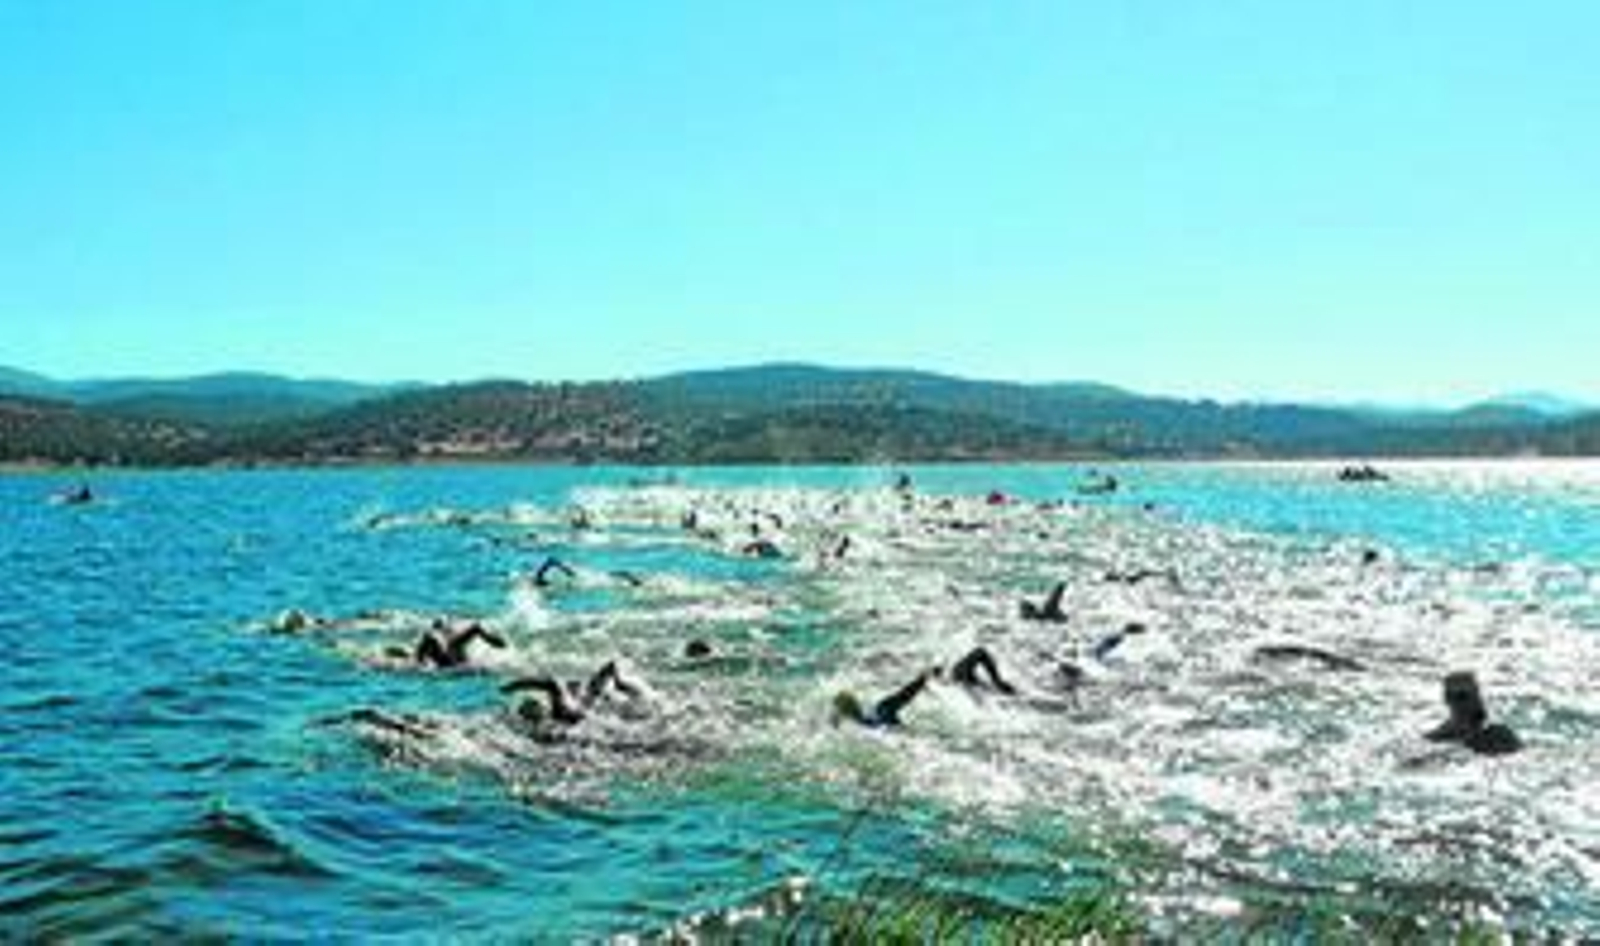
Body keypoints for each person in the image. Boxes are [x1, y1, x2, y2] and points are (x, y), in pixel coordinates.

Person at [502, 660, 643, 726]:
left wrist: (512, 686)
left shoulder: (558, 712)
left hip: (590, 715)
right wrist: (512, 687)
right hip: (592, 714)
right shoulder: (586, 693)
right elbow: (610, 666)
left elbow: (551, 685)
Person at [1425, 671, 1521, 756]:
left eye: (1475, 696)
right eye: (1461, 697)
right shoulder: (1437, 738)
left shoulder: (1500, 734)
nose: (1470, 704)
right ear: (1448, 700)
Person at [412, 620, 508, 669]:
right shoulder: (434, 645)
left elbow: (475, 628)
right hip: (448, 661)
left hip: (452, 658)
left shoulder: (453, 644)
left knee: (451, 644)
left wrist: (490, 639)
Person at [945, 646, 1017, 695]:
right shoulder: (955, 682)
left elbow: (981, 652)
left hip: (962, 675)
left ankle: (998, 684)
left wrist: (997, 681)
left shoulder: (958, 671)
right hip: (964, 679)